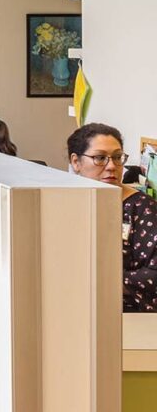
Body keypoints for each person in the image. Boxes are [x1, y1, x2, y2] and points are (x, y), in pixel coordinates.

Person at [66, 123, 157, 312]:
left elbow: (152, 275)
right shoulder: (61, 203)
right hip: (70, 306)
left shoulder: (142, 208)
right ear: (76, 162)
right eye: (100, 158)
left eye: (117, 157)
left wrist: (99, 285)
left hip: (126, 313)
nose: (111, 166)